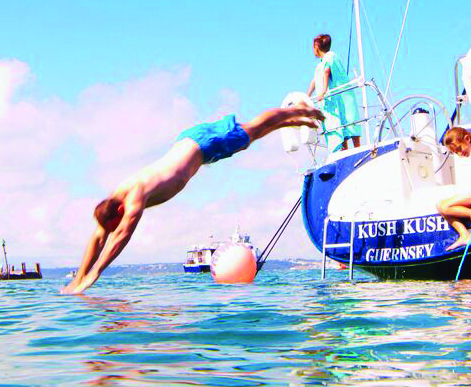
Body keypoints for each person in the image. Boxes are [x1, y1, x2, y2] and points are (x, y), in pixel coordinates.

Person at [62, 102, 326, 293]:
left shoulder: (134, 199)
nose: (114, 229)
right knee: (252, 136)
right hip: (191, 145)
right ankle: (292, 119)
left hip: (205, 144)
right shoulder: (115, 198)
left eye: (115, 225)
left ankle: (297, 110)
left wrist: (95, 274)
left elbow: (121, 237)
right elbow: (99, 236)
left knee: (255, 128)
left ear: (119, 213)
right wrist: (79, 277)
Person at [307, 34, 364, 151]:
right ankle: (345, 152)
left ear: (317, 47)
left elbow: (327, 71)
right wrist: (307, 96)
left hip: (343, 96)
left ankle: (358, 149)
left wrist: (323, 91)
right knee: (341, 127)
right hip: (337, 99)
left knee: (350, 122)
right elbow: (315, 79)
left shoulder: (330, 56)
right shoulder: (320, 64)